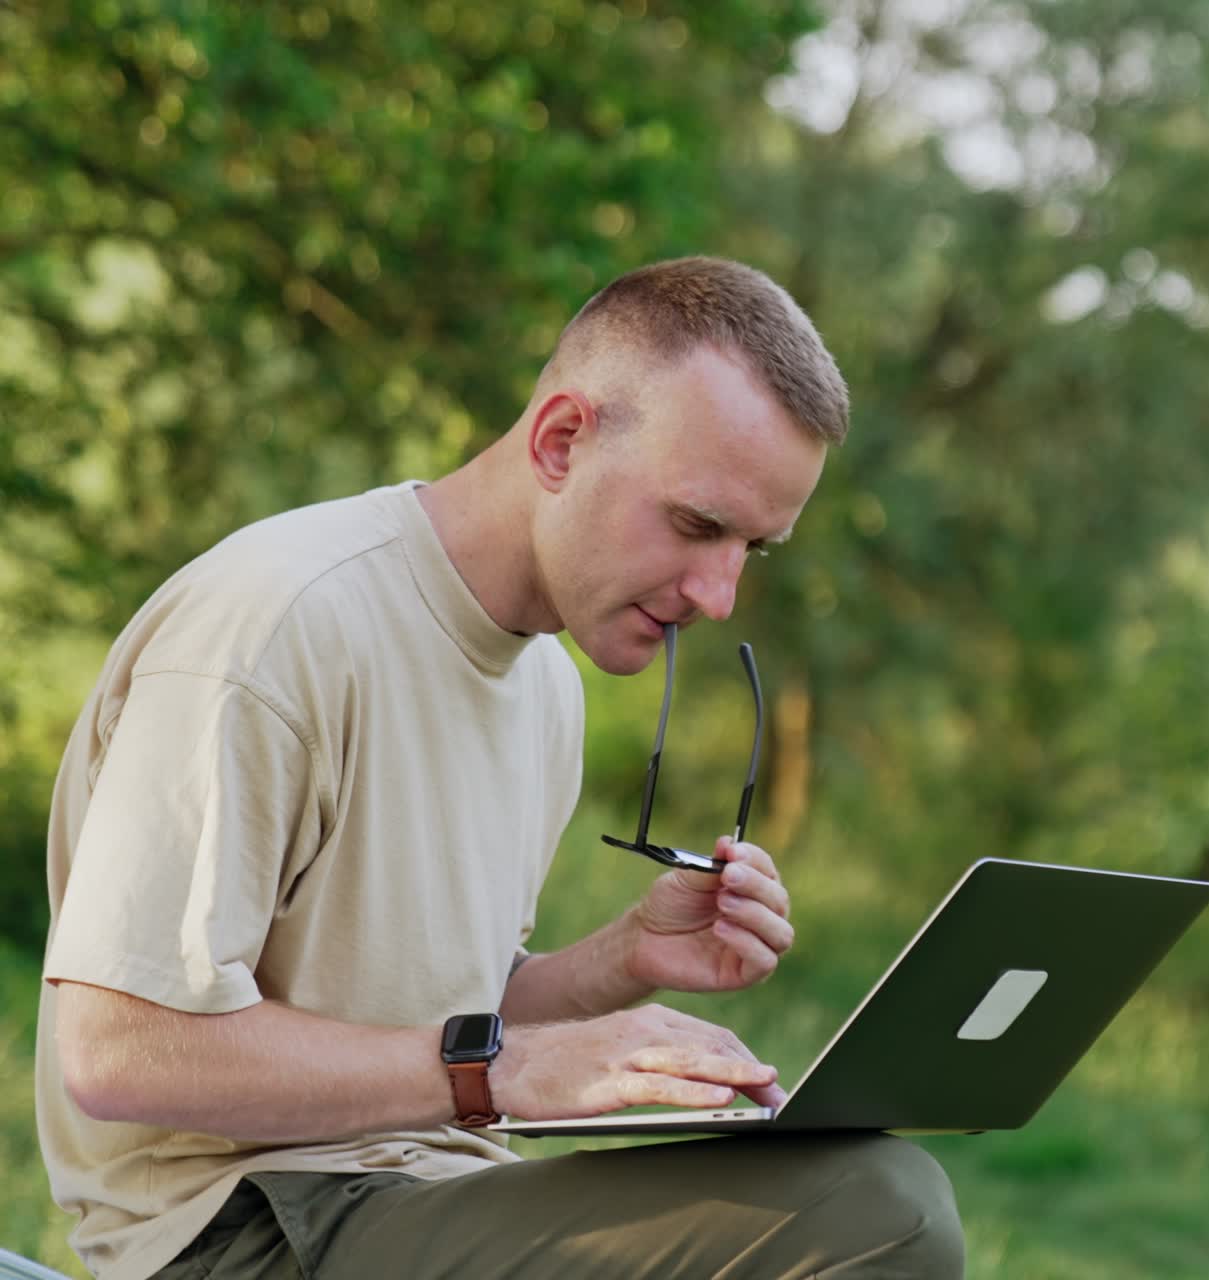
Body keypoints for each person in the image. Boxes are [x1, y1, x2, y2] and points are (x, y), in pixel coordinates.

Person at [37, 257, 965, 1280]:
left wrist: (623, 960)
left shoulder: (544, 687)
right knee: (882, 1207)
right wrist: (503, 1072)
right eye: (698, 525)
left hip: (427, 1188)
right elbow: (119, 1046)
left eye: (754, 545)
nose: (718, 594)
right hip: (241, 1230)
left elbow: (428, 1011)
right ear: (560, 440)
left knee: (852, 1177)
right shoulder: (276, 625)